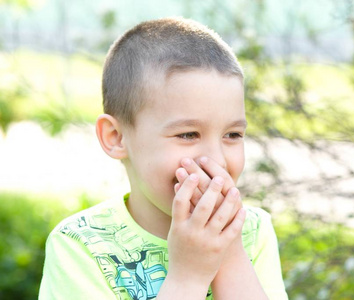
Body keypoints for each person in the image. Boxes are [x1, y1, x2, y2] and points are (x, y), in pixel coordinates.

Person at [39, 17, 288, 300]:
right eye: (188, 134)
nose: (217, 160)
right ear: (116, 137)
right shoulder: (81, 245)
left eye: (232, 135)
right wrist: (188, 277)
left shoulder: (253, 231)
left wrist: (229, 254)